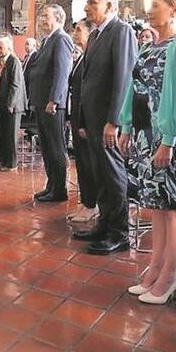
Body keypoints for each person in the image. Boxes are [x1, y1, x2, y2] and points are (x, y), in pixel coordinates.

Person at [118, 0, 176, 305]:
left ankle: (170, 274)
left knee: (172, 207)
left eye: (155, 5)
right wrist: (125, 125)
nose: (149, 10)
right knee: (156, 207)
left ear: (174, 11)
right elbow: (133, 89)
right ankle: (154, 267)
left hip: (169, 138)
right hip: (144, 135)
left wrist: (168, 140)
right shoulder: (150, 46)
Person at [71, 0, 138, 254]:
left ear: (109, 6)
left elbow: (124, 78)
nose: (87, 7)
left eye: (92, 2)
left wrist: (114, 120)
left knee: (113, 176)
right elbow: (88, 79)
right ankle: (104, 223)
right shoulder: (97, 34)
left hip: (108, 120)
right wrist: (86, 121)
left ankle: (119, 233)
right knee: (100, 175)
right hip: (94, 119)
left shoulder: (121, 32)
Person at [25, 4, 75, 202]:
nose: (41, 19)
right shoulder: (47, 40)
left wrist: (54, 99)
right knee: (46, 147)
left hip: (52, 104)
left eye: (45, 16)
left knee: (55, 147)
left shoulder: (62, 39)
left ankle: (59, 190)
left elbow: (61, 73)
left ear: (58, 18)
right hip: (42, 102)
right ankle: (51, 185)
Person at [67, 19, 99, 225]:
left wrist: (84, 123)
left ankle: (91, 205)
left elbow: (90, 92)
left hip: (86, 120)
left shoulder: (91, 57)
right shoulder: (82, 57)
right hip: (78, 117)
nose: (74, 34)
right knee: (82, 164)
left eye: (78, 30)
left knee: (88, 164)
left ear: (90, 33)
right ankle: (86, 201)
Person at [0, 35, 27, 171]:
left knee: (11, 136)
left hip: (13, 105)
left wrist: (10, 104)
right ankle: (5, 161)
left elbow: (15, 85)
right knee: (4, 134)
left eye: (1, 48)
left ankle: (12, 164)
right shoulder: (1, 62)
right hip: (2, 103)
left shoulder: (14, 61)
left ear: (9, 48)